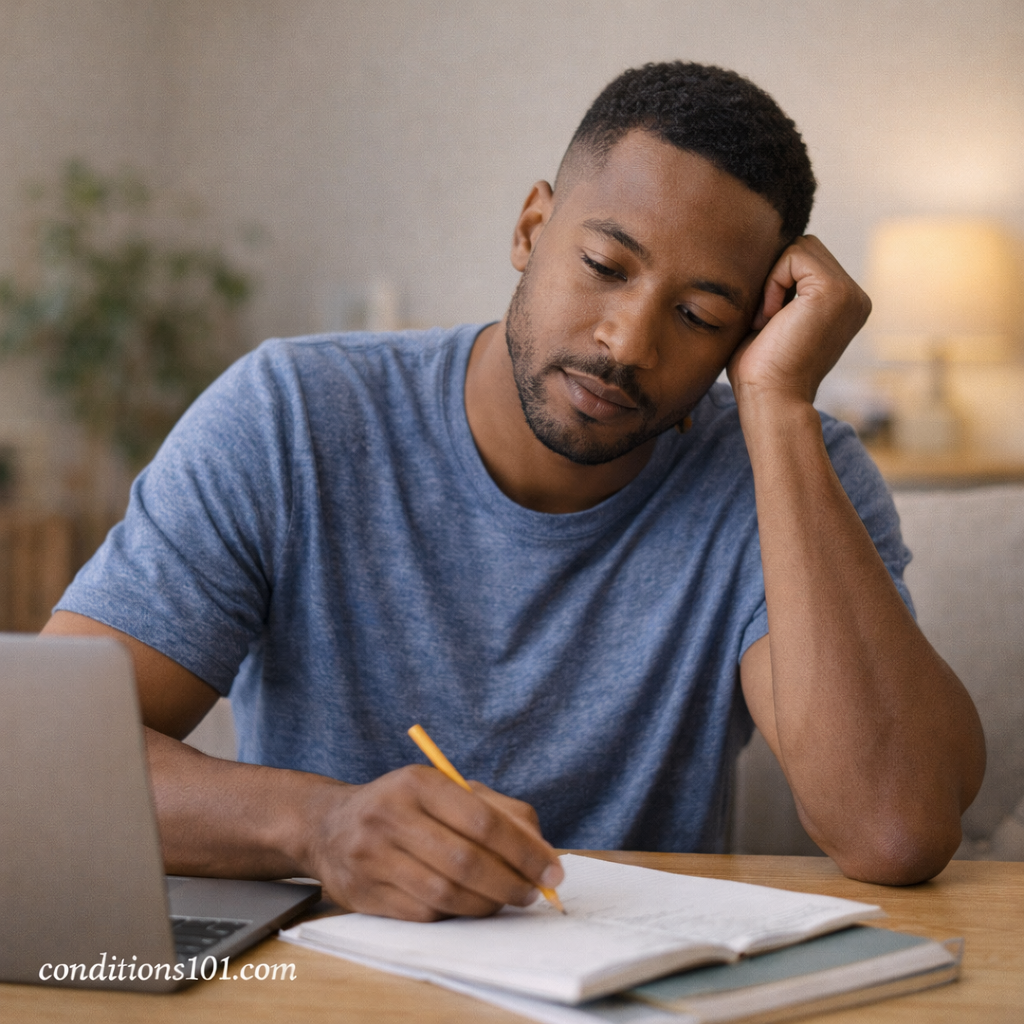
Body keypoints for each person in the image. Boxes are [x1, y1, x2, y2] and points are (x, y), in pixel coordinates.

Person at [44, 62, 985, 922]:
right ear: (532, 228)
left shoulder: (791, 471)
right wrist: (317, 826)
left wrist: (776, 407)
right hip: (328, 976)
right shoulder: (292, 413)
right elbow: (49, 763)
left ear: (751, 330)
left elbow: (894, 830)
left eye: (699, 315)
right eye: (605, 267)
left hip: (631, 992)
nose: (626, 343)